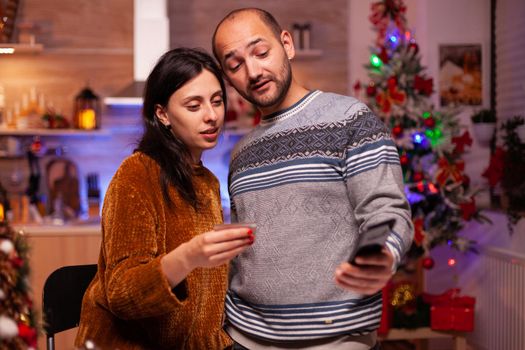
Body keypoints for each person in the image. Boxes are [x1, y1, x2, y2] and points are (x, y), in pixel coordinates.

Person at [212, 8, 414, 350]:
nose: (253, 71)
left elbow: (387, 211)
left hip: (338, 341)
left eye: (261, 53)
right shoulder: (239, 154)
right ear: (228, 78)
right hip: (244, 338)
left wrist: (381, 254)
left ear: (287, 44)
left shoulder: (351, 119)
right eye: (235, 65)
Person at [75, 48, 254, 350]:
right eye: (193, 106)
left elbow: (204, 297)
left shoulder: (207, 181)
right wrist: (188, 256)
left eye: (217, 101)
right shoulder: (137, 173)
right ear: (163, 114)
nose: (211, 116)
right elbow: (121, 293)